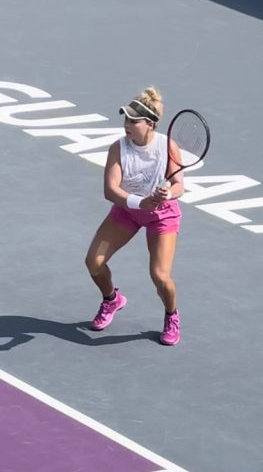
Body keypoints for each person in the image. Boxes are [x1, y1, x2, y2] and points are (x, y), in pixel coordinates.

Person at [84, 87, 184, 345]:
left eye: (133, 121)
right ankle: (111, 299)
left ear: (150, 124)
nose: (126, 125)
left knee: (160, 277)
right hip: (128, 212)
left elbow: (179, 186)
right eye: (125, 119)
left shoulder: (168, 147)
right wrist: (142, 202)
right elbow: (110, 191)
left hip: (162, 217)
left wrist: (166, 194)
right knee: (94, 262)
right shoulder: (118, 148)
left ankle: (172, 315)